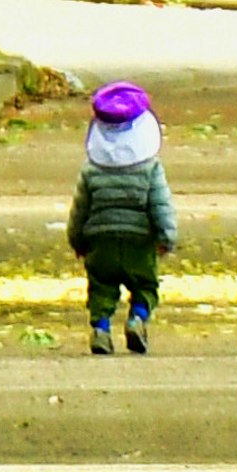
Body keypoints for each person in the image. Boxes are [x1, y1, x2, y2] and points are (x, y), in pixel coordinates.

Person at [68, 78, 177, 355]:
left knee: (101, 289)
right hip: (139, 242)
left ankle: (101, 329)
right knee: (146, 285)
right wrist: (167, 236)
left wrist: (77, 240)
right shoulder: (150, 168)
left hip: (100, 243)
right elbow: (160, 205)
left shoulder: (91, 170)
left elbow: (80, 209)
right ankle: (137, 317)